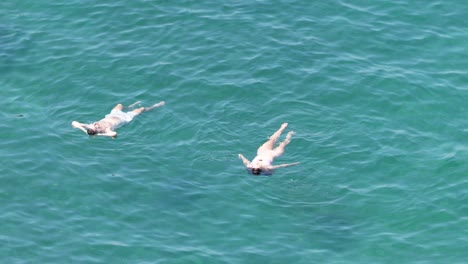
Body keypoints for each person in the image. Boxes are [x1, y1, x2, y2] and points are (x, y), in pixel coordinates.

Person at [71, 101, 165, 137]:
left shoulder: (89, 127)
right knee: (141, 109)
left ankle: (128, 107)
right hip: (125, 118)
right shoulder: (105, 130)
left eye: (93, 124)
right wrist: (99, 133)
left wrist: (84, 130)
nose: (95, 124)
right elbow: (114, 133)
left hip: (113, 114)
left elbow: (74, 123)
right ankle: (155, 106)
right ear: (97, 131)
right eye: (96, 127)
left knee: (120, 105)